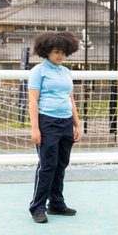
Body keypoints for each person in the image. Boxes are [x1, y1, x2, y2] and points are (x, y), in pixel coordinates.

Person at [28, 31, 81, 224]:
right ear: (47, 51)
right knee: (47, 165)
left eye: (63, 52)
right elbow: (33, 101)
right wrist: (35, 128)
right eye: (56, 52)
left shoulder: (66, 72)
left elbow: (70, 98)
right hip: (47, 122)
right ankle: (37, 207)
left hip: (66, 122)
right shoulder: (38, 71)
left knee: (61, 165)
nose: (60, 56)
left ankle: (57, 203)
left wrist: (76, 123)